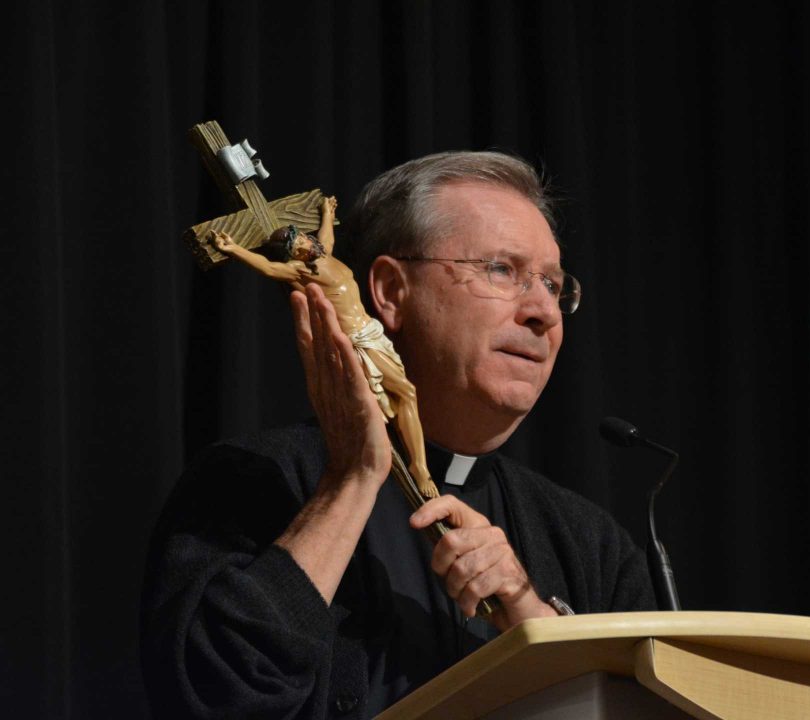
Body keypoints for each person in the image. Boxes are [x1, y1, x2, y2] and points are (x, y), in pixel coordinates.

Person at [141, 151, 656, 720]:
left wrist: (529, 615)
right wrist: (351, 481)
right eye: (501, 270)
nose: (543, 312)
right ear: (389, 290)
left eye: (554, 284)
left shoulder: (593, 544)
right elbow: (210, 695)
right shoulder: (252, 480)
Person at [208, 196, 438, 500]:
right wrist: (234, 249)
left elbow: (325, 238)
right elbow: (267, 267)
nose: (307, 243)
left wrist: (327, 213)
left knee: (403, 396)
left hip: (373, 332)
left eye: (304, 237)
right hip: (357, 342)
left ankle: (416, 463)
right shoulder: (301, 272)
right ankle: (419, 467)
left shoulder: (323, 255)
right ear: (294, 256)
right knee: (403, 394)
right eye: (299, 245)